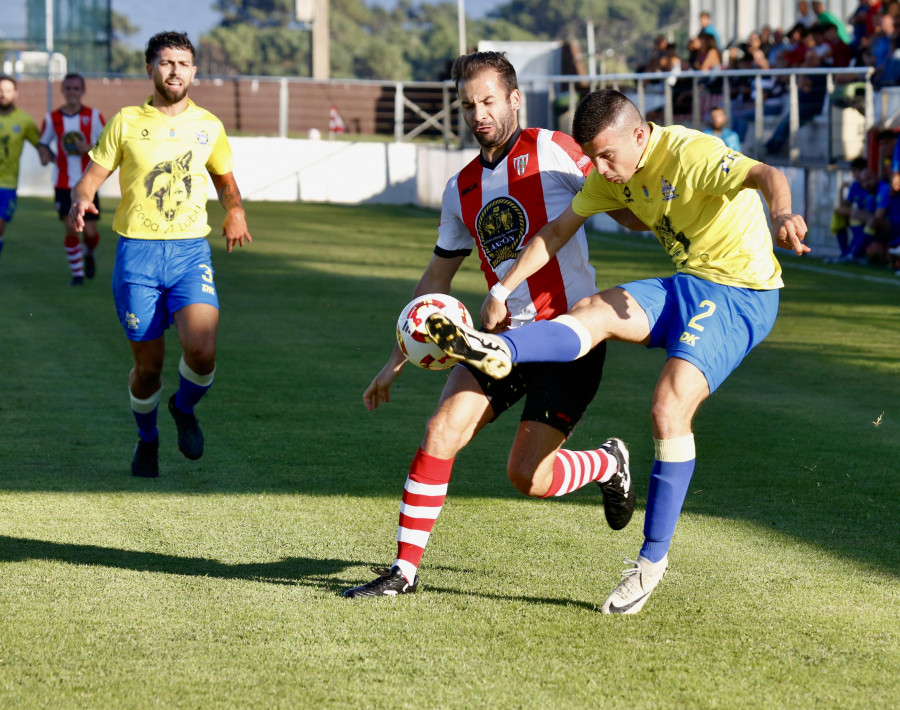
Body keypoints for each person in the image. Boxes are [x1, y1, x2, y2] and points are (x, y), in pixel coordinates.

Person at [424, 88, 810, 614]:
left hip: (743, 294)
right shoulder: (611, 174)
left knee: (668, 407)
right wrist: (498, 290)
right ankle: (500, 347)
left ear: (639, 133)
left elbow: (768, 174)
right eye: (594, 158)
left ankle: (650, 565)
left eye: (607, 156)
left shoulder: (689, 153)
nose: (601, 169)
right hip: (689, 282)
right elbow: (556, 230)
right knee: (591, 309)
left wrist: (783, 214)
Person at [343, 52, 639, 599]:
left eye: (488, 101)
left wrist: (672, 219)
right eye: (467, 104)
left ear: (514, 99)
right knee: (440, 431)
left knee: (527, 478)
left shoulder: (555, 150)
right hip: (499, 342)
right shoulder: (460, 189)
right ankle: (403, 572)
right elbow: (437, 277)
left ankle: (606, 461)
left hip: (571, 336)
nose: (478, 113)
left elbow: (623, 204)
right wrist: (396, 359)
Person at [69, 31, 252, 478]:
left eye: (183, 63)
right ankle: (146, 439)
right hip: (138, 257)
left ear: (194, 71)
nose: (175, 70)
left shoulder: (209, 125)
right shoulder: (126, 122)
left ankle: (183, 408)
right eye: (166, 62)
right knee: (148, 368)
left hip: (190, 252)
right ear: (149, 69)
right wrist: (81, 198)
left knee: (202, 350)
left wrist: (235, 210)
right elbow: (90, 177)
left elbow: (225, 181)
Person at [39, 73, 106, 285]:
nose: (72, 93)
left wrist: (89, 148)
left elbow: (107, 147)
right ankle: (77, 275)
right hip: (62, 183)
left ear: (82, 91)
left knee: (90, 232)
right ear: (63, 91)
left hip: (89, 183)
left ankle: (89, 252)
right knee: (70, 227)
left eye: (76, 89)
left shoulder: (94, 116)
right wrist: (45, 154)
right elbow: (43, 143)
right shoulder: (52, 118)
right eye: (68, 88)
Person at [0, 74, 43, 259]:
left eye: (8, 90)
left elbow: (40, 144)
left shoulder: (24, 120)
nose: (3, 94)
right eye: (0, 90)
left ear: (15, 94)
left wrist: (51, 155)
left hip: (8, 184)